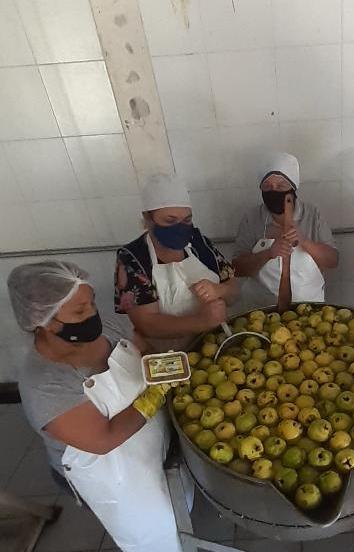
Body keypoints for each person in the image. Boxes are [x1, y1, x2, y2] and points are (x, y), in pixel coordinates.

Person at [8, 261, 182, 552]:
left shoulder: (108, 328)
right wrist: (154, 394)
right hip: (111, 474)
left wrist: (168, 367)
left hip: (149, 442)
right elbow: (104, 440)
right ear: (45, 322)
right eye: (79, 311)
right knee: (149, 533)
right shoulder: (45, 385)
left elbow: (144, 350)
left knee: (173, 507)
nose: (92, 314)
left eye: (91, 302)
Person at [115, 174, 238, 352]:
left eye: (187, 220)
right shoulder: (133, 258)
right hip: (172, 355)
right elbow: (146, 324)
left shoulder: (199, 243)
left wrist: (220, 290)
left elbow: (234, 289)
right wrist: (201, 322)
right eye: (170, 221)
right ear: (147, 218)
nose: (180, 228)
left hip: (219, 345)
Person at [232, 152, 338, 309]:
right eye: (267, 186)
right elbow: (237, 269)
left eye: (281, 186)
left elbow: (333, 260)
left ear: (293, 189)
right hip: (260, 309)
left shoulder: (312, 215)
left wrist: (304, 241)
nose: (274, 191)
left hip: (309, 308)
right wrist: (268, 253)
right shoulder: (252, 218)